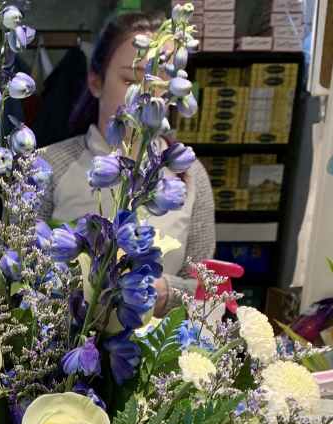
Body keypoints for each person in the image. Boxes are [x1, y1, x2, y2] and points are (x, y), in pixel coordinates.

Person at [38, 11, 215, 316]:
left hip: (158, 343)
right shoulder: (48, 165)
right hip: (64, 339)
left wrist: (165, 293)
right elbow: (20, 270)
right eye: (131, 80)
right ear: (95, 81)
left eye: (162, 83)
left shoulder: (188, 173)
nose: (146, 96)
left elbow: (205, 288)